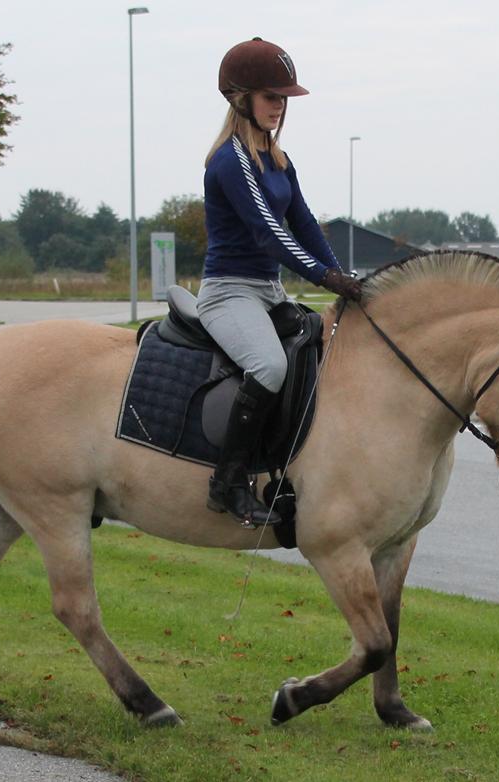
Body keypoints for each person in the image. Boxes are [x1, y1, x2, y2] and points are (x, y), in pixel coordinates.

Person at [199, 37, 362, 528]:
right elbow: (270, 235)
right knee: (269, 366)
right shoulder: (232, 161)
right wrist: (323, 275)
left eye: (284, 98)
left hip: (267, 292)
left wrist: (340, 277)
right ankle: (227, 484)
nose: (280, 106)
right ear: (240, 98)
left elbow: (305, 224)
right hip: (228, 292)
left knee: (318, 354)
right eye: (272, 97)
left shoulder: (278, 158)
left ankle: (288, 469)